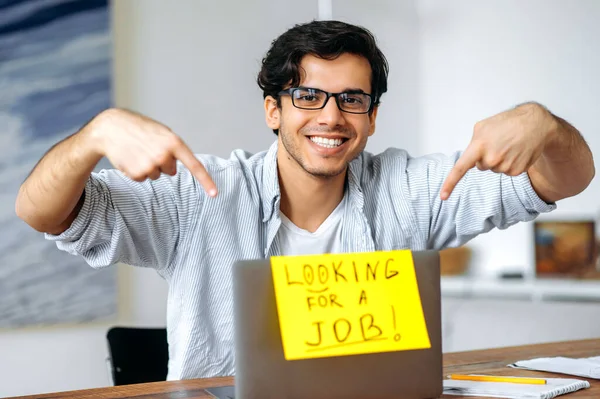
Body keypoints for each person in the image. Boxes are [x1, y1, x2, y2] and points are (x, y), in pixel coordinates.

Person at [15, 20, 594, 380]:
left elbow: (566, 179)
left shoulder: (411, 189)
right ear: (274, 109)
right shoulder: (199, 196)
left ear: (372, 116)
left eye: (352, 100)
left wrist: (542, 124)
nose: (331, 118)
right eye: (308, 95)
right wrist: (94, 136)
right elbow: (42, 212)